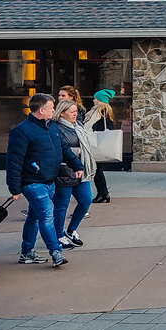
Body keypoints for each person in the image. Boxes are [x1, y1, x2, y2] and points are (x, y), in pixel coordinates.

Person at [6, 93, 83, 267]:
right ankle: (56, 252)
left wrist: (77, 165)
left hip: (49, 180)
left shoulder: (52, 127)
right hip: (32, 181)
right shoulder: (22, 131)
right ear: (41, 110)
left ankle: (26, 252)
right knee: (47, 215)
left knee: (34, 216)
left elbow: (64, 149)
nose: (54, 110)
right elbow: (14, 161)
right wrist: (15, 189)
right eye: (51, 107)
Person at [51, 99, 95, 250]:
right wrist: (79, 152)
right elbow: (59, 150)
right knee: (61, 206)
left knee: (85, 200)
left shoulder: (78, 125)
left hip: (80, 169)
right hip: (64, 171)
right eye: (72, 112)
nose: (75, 114)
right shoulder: (55, 127)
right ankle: (58, 236)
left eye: (76, 112)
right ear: (62, 113)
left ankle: (70, 230)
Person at [86, 89, 116, 202]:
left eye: (95, 99)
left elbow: (93, 128)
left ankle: (103, 193)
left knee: (97, 171)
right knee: (97, 171)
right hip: (100, 145)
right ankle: (102, 193)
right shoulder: (105, 113)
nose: (93, 101)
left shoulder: (99, 113)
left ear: (100, 101)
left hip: (97, 145)